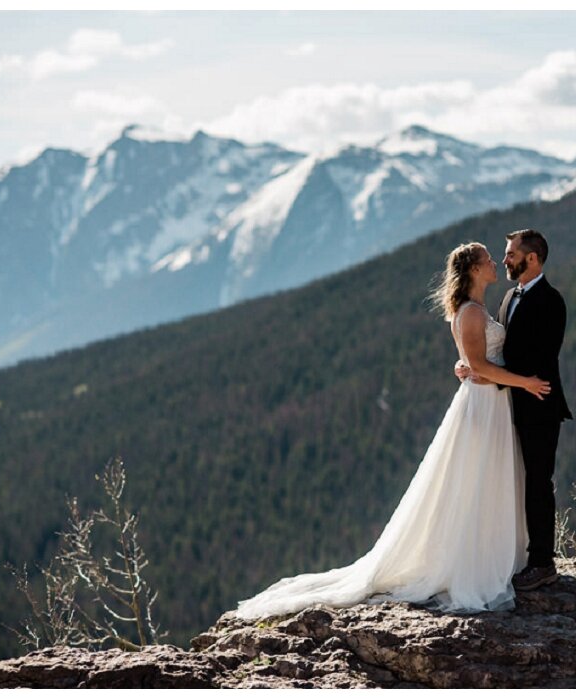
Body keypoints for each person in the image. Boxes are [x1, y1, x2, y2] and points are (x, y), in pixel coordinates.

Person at [232, 242, 551, 619]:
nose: (495, 263)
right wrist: (523, 382)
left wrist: (470, 368)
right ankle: (471, 562)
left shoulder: (479, 310)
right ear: (472, 270)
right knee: (474, 478)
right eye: (487, 260)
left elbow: (475, 362)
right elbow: (480, 364)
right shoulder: (470, 313)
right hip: (483, 405)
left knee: (489, 477)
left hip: (492, 402)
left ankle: (493, 553)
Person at [458, 229, 573, 591]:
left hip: (538, 402)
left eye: (510, 255)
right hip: (507, 403)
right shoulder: (509, 296)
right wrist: (469, 366)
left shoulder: (551, 301)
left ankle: (542, 562)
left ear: (532, 259)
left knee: (538, 481)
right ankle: (510, 555)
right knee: (511, 478)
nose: (505, 260)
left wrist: (489, 374)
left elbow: (536, 358)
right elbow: (497, 349)